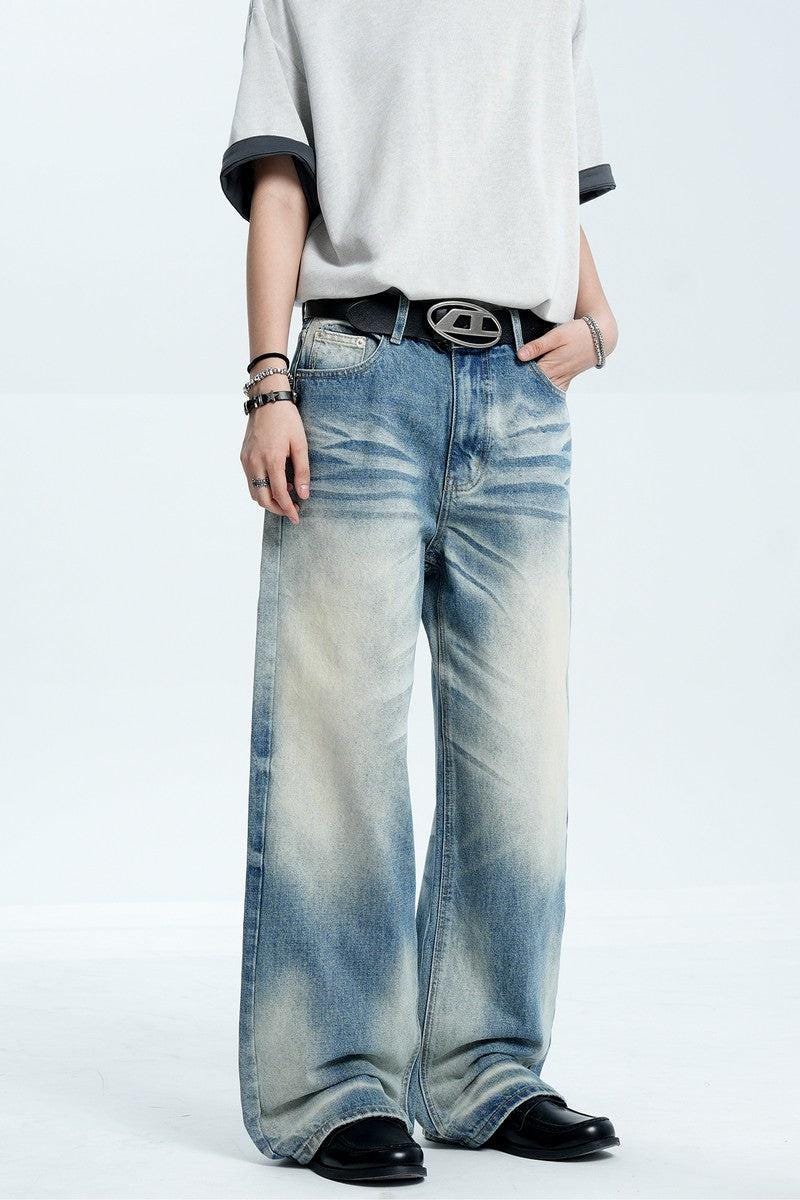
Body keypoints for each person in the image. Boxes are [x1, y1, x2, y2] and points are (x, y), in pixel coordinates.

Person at [220, 0, 620, 1185]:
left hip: (520, 387)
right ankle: (330, 1084)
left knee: (519, 752)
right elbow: (281, 183)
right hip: (357, 377)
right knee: (334, 745)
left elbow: (538, 170)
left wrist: (598, 320)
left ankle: (485, 1070)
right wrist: (267, 383)